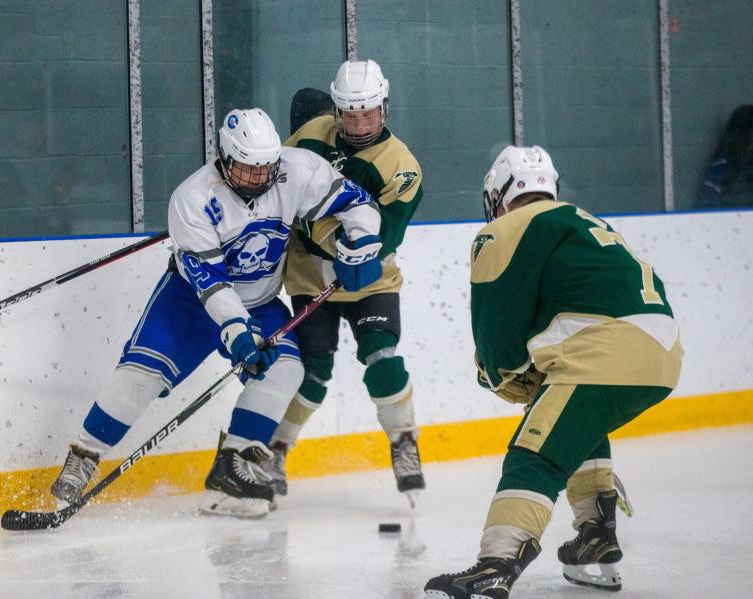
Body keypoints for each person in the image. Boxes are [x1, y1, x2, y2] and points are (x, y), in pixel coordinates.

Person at [49, 108, 383, 519]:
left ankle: (234, 463)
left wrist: (363, 241)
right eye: (247, 169)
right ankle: (84, 455)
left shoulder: (297, 170)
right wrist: (237, 332)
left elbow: (359, 203)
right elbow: (211, 283)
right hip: (189, 302)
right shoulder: (193, 199)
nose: (259, 178)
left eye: (266, 168)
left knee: (286, 370)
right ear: (224, 159)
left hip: (259, 302)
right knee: (140, 377)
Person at [422, 145, 682, 598]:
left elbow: (496, 338)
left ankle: (496, 564)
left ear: (498, 195)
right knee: (576, 422)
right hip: (663, 354)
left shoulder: (505, 228)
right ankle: (596, 536)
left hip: (608, 351)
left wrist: (497, 375)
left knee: (534, 450)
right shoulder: (583, 221)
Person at [260, 59, 427, 503]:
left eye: (367, 113)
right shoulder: (311, 135)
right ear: (336, 109)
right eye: (349, 114)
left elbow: (388, 232)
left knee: (382, 355)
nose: (358, 124)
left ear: (384, 108)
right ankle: (274, 450)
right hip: (310, 278)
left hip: (372, 281)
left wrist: (358, 245)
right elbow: (279, 183)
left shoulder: (401, 165)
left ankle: (404, 441)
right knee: (313, 372)